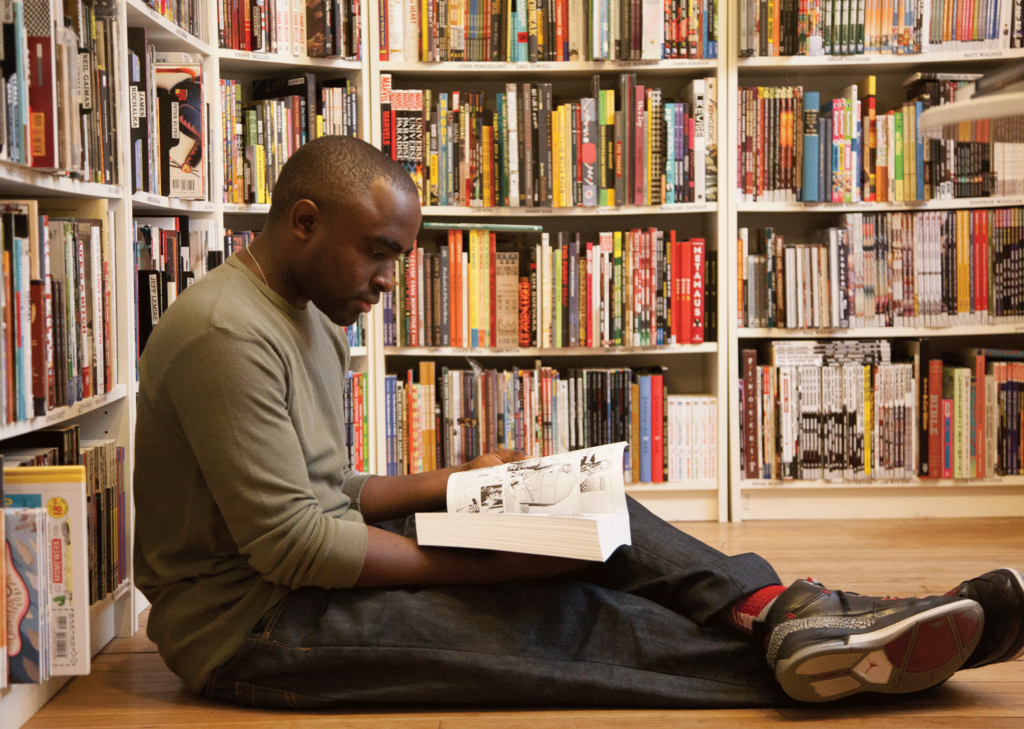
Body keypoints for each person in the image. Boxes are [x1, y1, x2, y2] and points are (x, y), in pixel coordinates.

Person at [133, 135, 1023, 710]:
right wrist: (495, 565)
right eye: (380, 253)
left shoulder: (306, 313)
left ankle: (790, 610)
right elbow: (296, 547)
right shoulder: (225, 333)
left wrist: (467, 482)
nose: (388, 279)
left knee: (587, 503)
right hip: (254, 627)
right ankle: (828, 664)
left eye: (399, 259)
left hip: (302, 573)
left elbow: (330, 492)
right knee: (562, 616)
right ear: (303, 221)